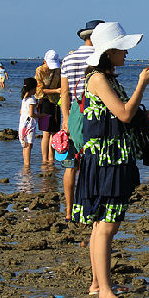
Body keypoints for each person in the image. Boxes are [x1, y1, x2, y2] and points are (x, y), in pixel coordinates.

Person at [72, 21, 149, 298]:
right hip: (108, 160)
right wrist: (142, 84)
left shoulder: (103, 77)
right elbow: (124, 114)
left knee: (101, 224)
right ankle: (105, 292)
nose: (126, 54)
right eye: (122, 49)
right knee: (107, 225)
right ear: (110, 51)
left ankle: (98, 284)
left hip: (109, 157)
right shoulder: (98, 79)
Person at [60, 20, 105, 221]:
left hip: (73, 115)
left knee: (71, 165)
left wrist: (65, 118)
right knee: (94, 164)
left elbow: (64, 92)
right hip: (94, 115)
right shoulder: (100, 57)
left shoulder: (68, 59)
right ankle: (89, 208)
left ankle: (69, 211)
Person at [35, 49, 63, 163]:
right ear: (44, 61)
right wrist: (56, 90)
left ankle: (52, 159)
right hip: (45, 102)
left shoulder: (58, 70)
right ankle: (44, 159)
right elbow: (39, 90)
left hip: (56, 103)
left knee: (54, 132)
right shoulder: (40, 71)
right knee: (46, 132)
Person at [19, 78, 39, 167]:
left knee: (25, 145)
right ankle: (27, 166)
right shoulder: (31, 100)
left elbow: (21, 112)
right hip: (29, 126)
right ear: (32, 89)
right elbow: (31, 114)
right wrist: (41, 115)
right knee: (28, 145)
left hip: (22, 125)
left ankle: (25, 165)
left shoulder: (24, 99)